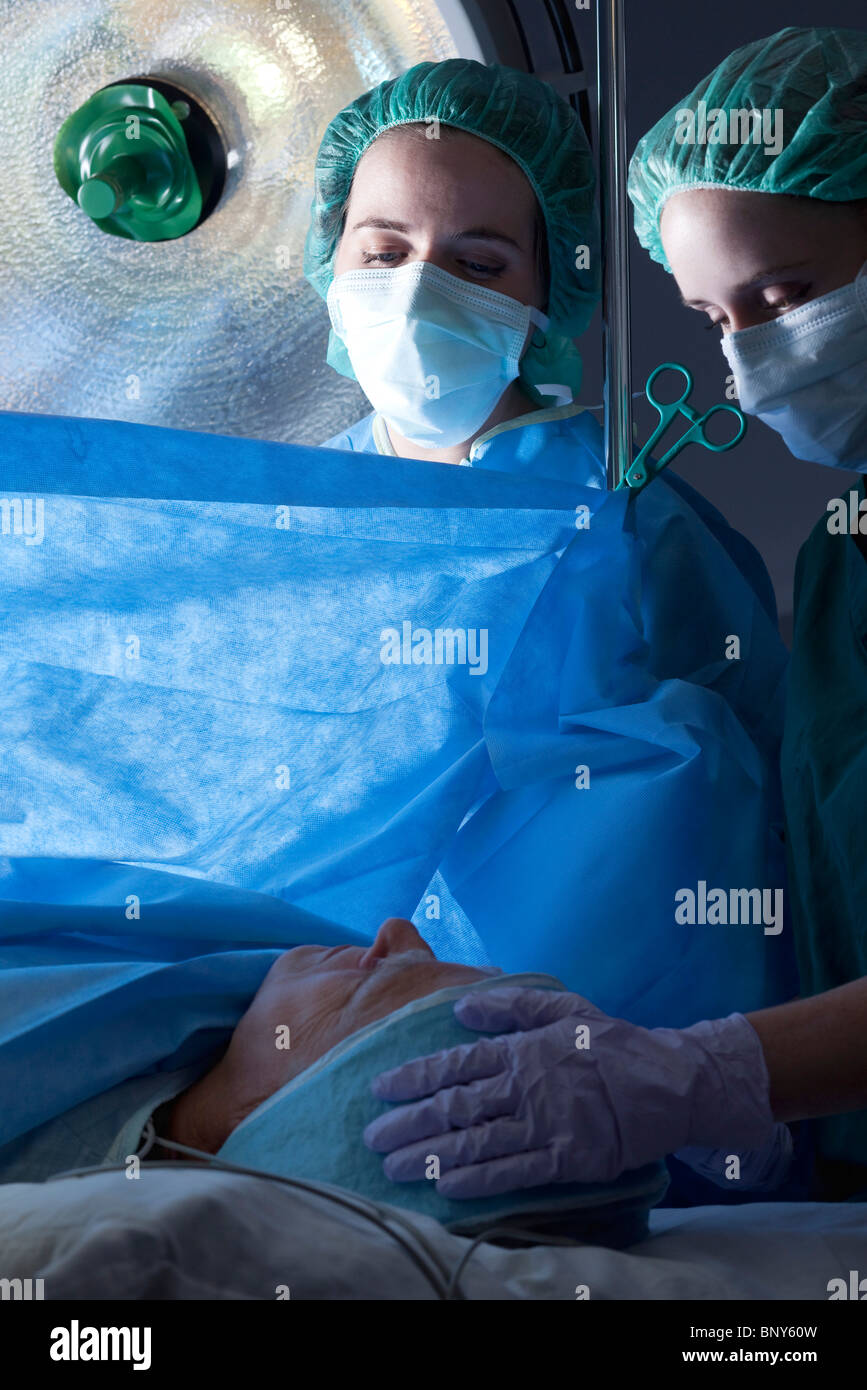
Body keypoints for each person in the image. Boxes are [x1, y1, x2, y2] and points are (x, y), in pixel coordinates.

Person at [361, 27, 867, 1204]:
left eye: (786, 296)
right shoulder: (851, 557)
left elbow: (751, 825)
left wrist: (701, 1073)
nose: (754, 360)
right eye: (713, 319)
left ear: (553, 294)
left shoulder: (626, 522)